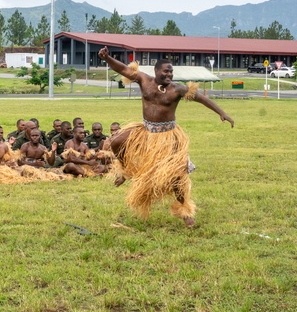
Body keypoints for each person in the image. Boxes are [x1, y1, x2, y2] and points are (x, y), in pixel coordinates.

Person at [98, 46, 234, 227]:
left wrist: (221, 113)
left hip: (168, 137)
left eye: (171, 72)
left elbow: (201, 98)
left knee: (177, 177)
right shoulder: (143, 80)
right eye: (166, 71)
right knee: (116, 142)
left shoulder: (177, 89)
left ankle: (186, 212)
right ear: (156, 71)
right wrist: (107, 59)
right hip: (145, 132)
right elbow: (123, 69)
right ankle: (125, 171)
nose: (169, 75)